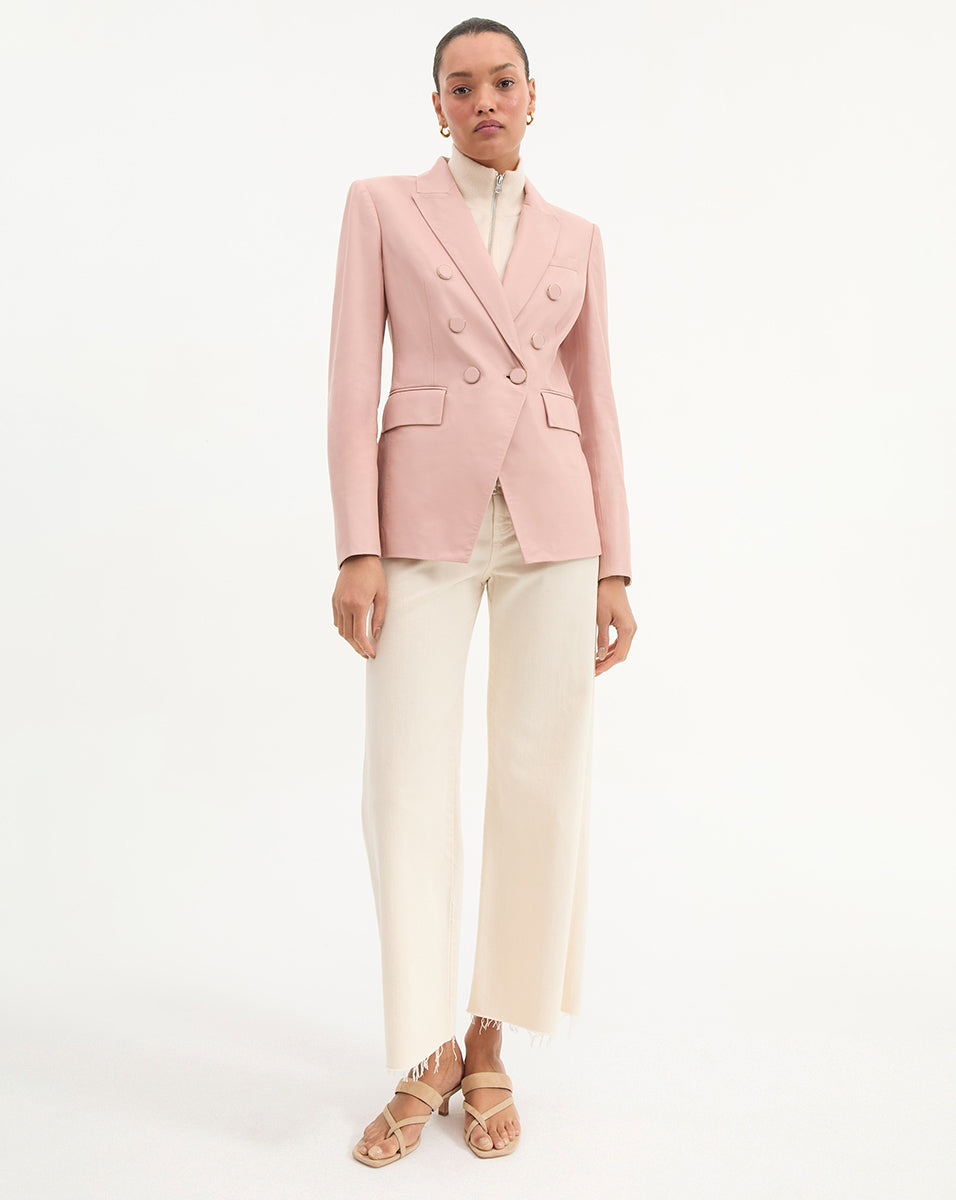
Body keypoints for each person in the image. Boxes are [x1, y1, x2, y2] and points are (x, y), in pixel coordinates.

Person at [328, 17, 636, 1166]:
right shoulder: (381, 207)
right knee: (405, 780)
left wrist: (615, 564)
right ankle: (424, 1050)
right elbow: (348, 380)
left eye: (501, 81)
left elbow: (596, 403)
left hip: (552, 522)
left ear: (531, 95)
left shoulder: (576, 236)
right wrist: (355, 545)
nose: (483, 101)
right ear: (437, 106)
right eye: (460, 87)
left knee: (537, 779)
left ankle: (489, 1034)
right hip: (423, 511)